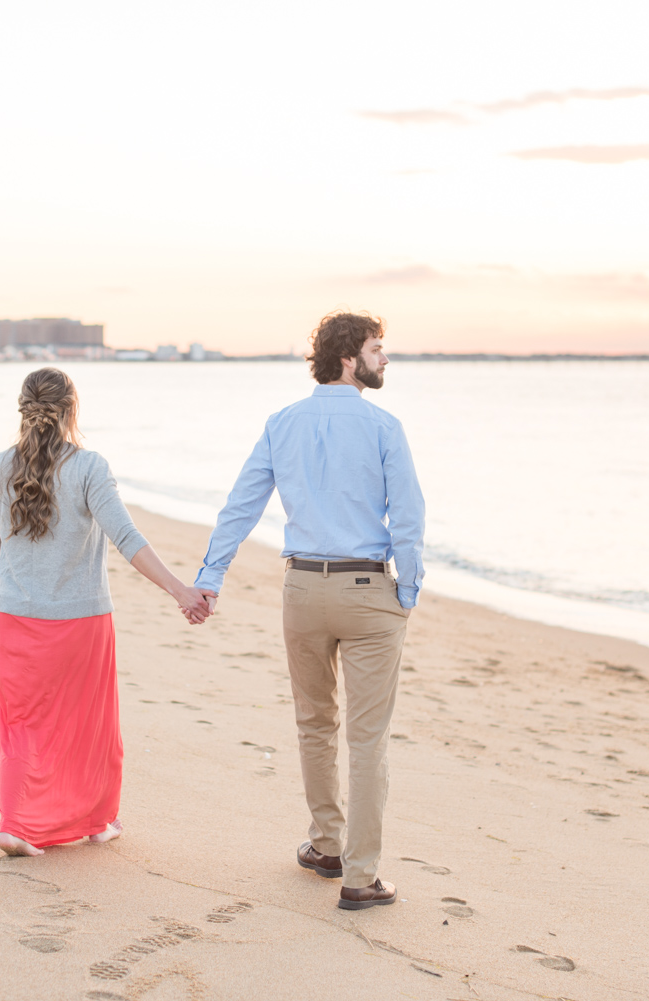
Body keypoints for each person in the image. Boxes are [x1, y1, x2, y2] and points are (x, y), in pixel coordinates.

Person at [195, 312, 424, 909]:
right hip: (368, 591)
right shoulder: (383, 426)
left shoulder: (282, 423)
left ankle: (327, 845)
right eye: (378, 349)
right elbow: (409, 517)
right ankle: (360, 876)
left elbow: (240, 506)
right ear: (350, 357)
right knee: (368, 739)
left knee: (314, 724)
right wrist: (409, 591)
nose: (385, 359)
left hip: (302, 590)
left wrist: (210, 577)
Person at [0, 367, 210, 857]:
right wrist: (179, 590)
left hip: (15, 618)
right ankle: (97, 821)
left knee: (21, 723)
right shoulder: (89, 468)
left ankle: (15, 825)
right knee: (88, 726)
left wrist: (29, 579)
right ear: (71, 410)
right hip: (80, 623)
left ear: (23, 409)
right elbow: (126, 539)